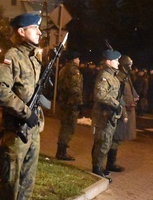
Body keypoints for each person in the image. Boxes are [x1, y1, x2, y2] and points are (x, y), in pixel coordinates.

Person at [0, 12, 44, 200]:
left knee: (27, 181)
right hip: (14, 130)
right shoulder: (12, 57)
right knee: (10, 180)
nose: (40, 33)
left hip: (31, 130)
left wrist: (36, 118)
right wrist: (25, 112)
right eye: (35, 28)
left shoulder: (33, 59)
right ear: (21, 31)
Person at [91, 49, 124, 181]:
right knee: (102, 142)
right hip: (103, 115)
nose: (118, 63)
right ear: (109, 62)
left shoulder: (113, 76)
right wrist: (115, 104)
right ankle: (97, 169)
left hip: (109, 115)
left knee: (106, 141)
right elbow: (100, 94)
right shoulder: (104, 76)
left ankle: (99, 166)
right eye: (116, 60)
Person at [108, 55, 138, 173]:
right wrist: (125, 105)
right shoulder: (119, 78)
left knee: (118, 138)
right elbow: (117, 96)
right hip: (121, 111)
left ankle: (111, 162)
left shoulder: (125, 77)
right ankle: (110, 163)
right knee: (116, 137)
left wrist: (133, 98)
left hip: (126, 110)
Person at [55, 51, 83, 161]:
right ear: (74, 59)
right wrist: (79, 103)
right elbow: (75, 89)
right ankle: (62, 152)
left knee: (64, 126)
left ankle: (61, 151)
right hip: (71, 103)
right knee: (69, 127)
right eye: (78, 58)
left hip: (64, 102)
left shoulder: (63, 69)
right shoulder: (73, 71)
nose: (79, 60)